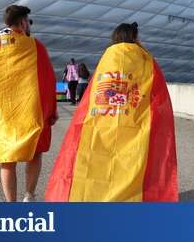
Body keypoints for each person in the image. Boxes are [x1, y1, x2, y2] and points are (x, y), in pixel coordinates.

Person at [45, 22, 178, 202]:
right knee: (130, 163)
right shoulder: (146, 60)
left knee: (98, 163)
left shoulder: (107, 58)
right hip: (133, 123)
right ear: (134, 37)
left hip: (101, 121)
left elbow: (93, 92)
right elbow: (158, 95)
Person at [0, 5, 58, 202]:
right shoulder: (34, 46)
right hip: (29, 109)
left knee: (8, 156)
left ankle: (10, 203)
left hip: (0, 110)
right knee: (35, 150)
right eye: (28, 21)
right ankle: (29, 195)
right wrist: (51, 110)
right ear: (22, 22)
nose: (29, 25)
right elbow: (46, 79)